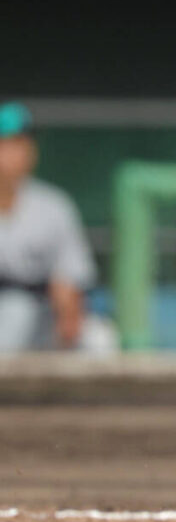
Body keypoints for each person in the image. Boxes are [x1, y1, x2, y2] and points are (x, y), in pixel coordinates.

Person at [0, 101, 109, 352]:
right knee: (15, 313)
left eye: (25, 143)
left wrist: (70, 314)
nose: (21, 152)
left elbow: (69, 279)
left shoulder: (52, 207)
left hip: (43, 315)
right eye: (10, 144)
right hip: (9, 317)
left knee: (98, 339)